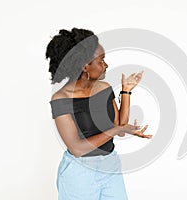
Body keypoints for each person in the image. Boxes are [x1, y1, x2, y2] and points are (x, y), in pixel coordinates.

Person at [46, 28, 152, 200]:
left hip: (110, 166)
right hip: (80, 172)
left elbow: (120, 127)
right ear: (85, 66)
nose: (106, 65)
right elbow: (77, 148)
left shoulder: (104, 88)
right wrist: (115, 130)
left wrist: (126, 91)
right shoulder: (61, 99)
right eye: (101, 60)